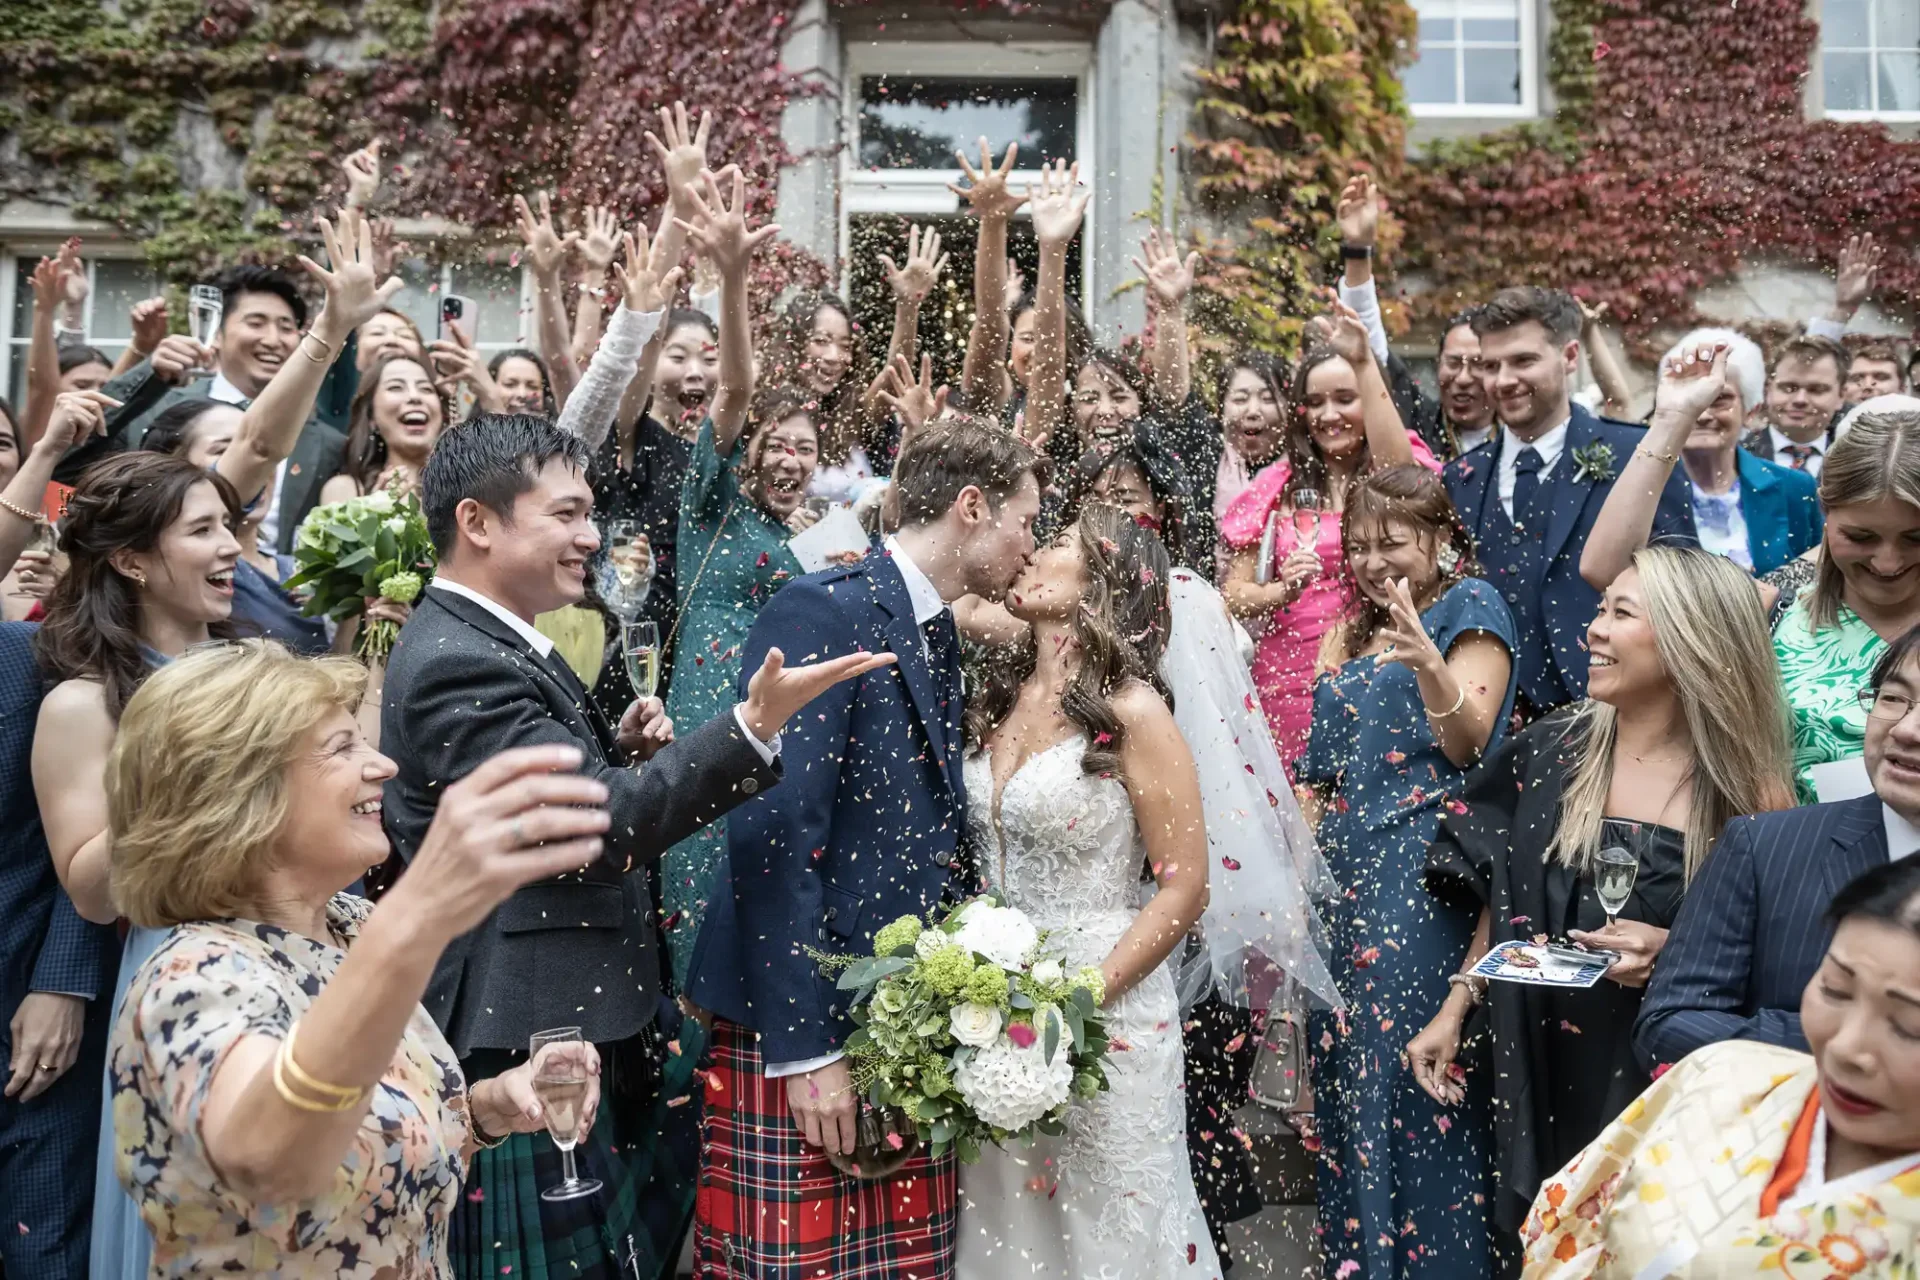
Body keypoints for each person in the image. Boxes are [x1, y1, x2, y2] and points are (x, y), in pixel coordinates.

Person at [380, 409, 885, 1280]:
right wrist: (750, 727)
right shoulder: (457, 661)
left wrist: (612, 753)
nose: (592, 537)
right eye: (567, 515)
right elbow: (597, 829)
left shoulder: (487, 641)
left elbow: (544, 808)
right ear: (477, 522)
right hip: (526, 1043)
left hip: (569, 1022)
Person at [102, 641, 615, 1277]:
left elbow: (370, 1152)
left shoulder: (351, 927)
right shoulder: (193, 977)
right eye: (343, 747)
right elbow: (269, 1160)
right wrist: (415, 918)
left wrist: (487, 1108)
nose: (384, 766)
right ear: (242, 794)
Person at [686, 419, 1041, 1279]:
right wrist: (808, 1050)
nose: (1031, 544)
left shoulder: (934, 626)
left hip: (889, 1014)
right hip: (807, 1018)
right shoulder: (825, 608)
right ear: (971, 507)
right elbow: (774, 835)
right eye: (1025, 520)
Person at [1409, 545, 1794, 1245]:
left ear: (1689, 639)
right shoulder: (1554, 747)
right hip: (1538, 1060)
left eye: (1621, 612)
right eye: (1600, 609)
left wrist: (1677, 954)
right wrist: (1458, 1001)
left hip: (1656, 1077)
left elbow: (1777, 959)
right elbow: (1509, 891)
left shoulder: (1748, 791)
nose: (1593, 630)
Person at [954, 503, 1216, 1279]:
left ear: (1103, 579)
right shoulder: (994, 698)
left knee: (1111, 1240)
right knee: (1013, 1234)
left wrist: (1081, 998)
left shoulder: (1134, 711)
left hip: (1106, 1003)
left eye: (1058, 542)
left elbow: (1187, 885)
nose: (1031, 551)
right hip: (993, 1007)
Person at [1295, 464, 1517, 1280]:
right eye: (1357, 546)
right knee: (1351, 1095)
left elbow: (1473, 742)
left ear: (1440, 539)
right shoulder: (1347, 632)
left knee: (1413, 1096)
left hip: (1420, 886)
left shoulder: (1471, 610)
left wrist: (1428, 660)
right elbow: (1321, 775)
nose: (1373, 561)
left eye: (1392, 542)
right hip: (1342, 885)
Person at [1521, 856, 1920, 1276]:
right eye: (1836, 989)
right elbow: (1570, 1227)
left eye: (1910, 1027)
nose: (1846, 1048)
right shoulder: (1722, 1074)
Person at [1636, 624, 1920, 1070]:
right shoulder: (1764, 847)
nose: (1906, 730)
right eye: (1893, 698)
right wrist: (1839, 1037)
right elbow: (1669, 1025)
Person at [653, 170, 807, 986]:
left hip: (773, 720)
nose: (789, 457)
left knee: (760, 916)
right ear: (746, 450)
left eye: (805, 448)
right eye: (776, 443)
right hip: (707, 711)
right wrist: (733, 277)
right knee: (697, 912)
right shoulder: (706, 506)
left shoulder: (809, 538)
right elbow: (737, 386)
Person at [1442, 285, 1696, 719]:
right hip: (1485, 728)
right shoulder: (1459, 478)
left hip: (1609, 715)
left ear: (1570, 357)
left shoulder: (1637, 456)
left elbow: (1684, 589)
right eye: (1491, 365)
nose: (1503, 381)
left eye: (1523, 361)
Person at [1219, 303, 1430, 764]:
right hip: (1286, 678)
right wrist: (1281, 589)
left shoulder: (1390, 467)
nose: (1328, 414)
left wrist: (1363, 362)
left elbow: (1405, 484)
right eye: (1315, 403)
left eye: (1344, 398)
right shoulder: (1275, 486)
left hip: (1377, 661)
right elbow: (1232, 594)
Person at [0, 603, 118, 1276]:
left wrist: (63, 979)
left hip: (28, 1015)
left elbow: (81, 828)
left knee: (47, 1254)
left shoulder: (27, 658)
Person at [93, 264, 351, 553]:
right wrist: (146, 368)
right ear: (216, 333)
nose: (273, 340)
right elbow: (84, 448)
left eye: (286, 327)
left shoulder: (329, 444)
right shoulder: (158, 411)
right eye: (256, 323)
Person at [1581, 334, 1822, 582]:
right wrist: (1673, 416)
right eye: (1695, 399)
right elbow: (1603, 574)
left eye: (1720, 400)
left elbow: (1816, 585)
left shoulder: (1795, 487)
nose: (1704, 414)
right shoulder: (1641, 487)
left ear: (1750, 411)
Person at [1771, 409, 1920, 797]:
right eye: (1861, 536)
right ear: (1826, 512)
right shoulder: (1768, 614)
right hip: (1794, 852)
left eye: (1915, 539)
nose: (1888, 562)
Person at [323, 354, 447, 502]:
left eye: (426, 389)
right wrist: (378, 512)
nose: (415, 397)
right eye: (396, 387)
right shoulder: (345, 491)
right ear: (371, 417)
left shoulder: (467, 489)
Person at [1742, 334, 1849, 478]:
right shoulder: (1736, 457)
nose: (1800, 400)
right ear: (1768, 390)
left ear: (1841, 396)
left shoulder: (1857, 464)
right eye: (1788, 388)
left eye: (1816, 389)